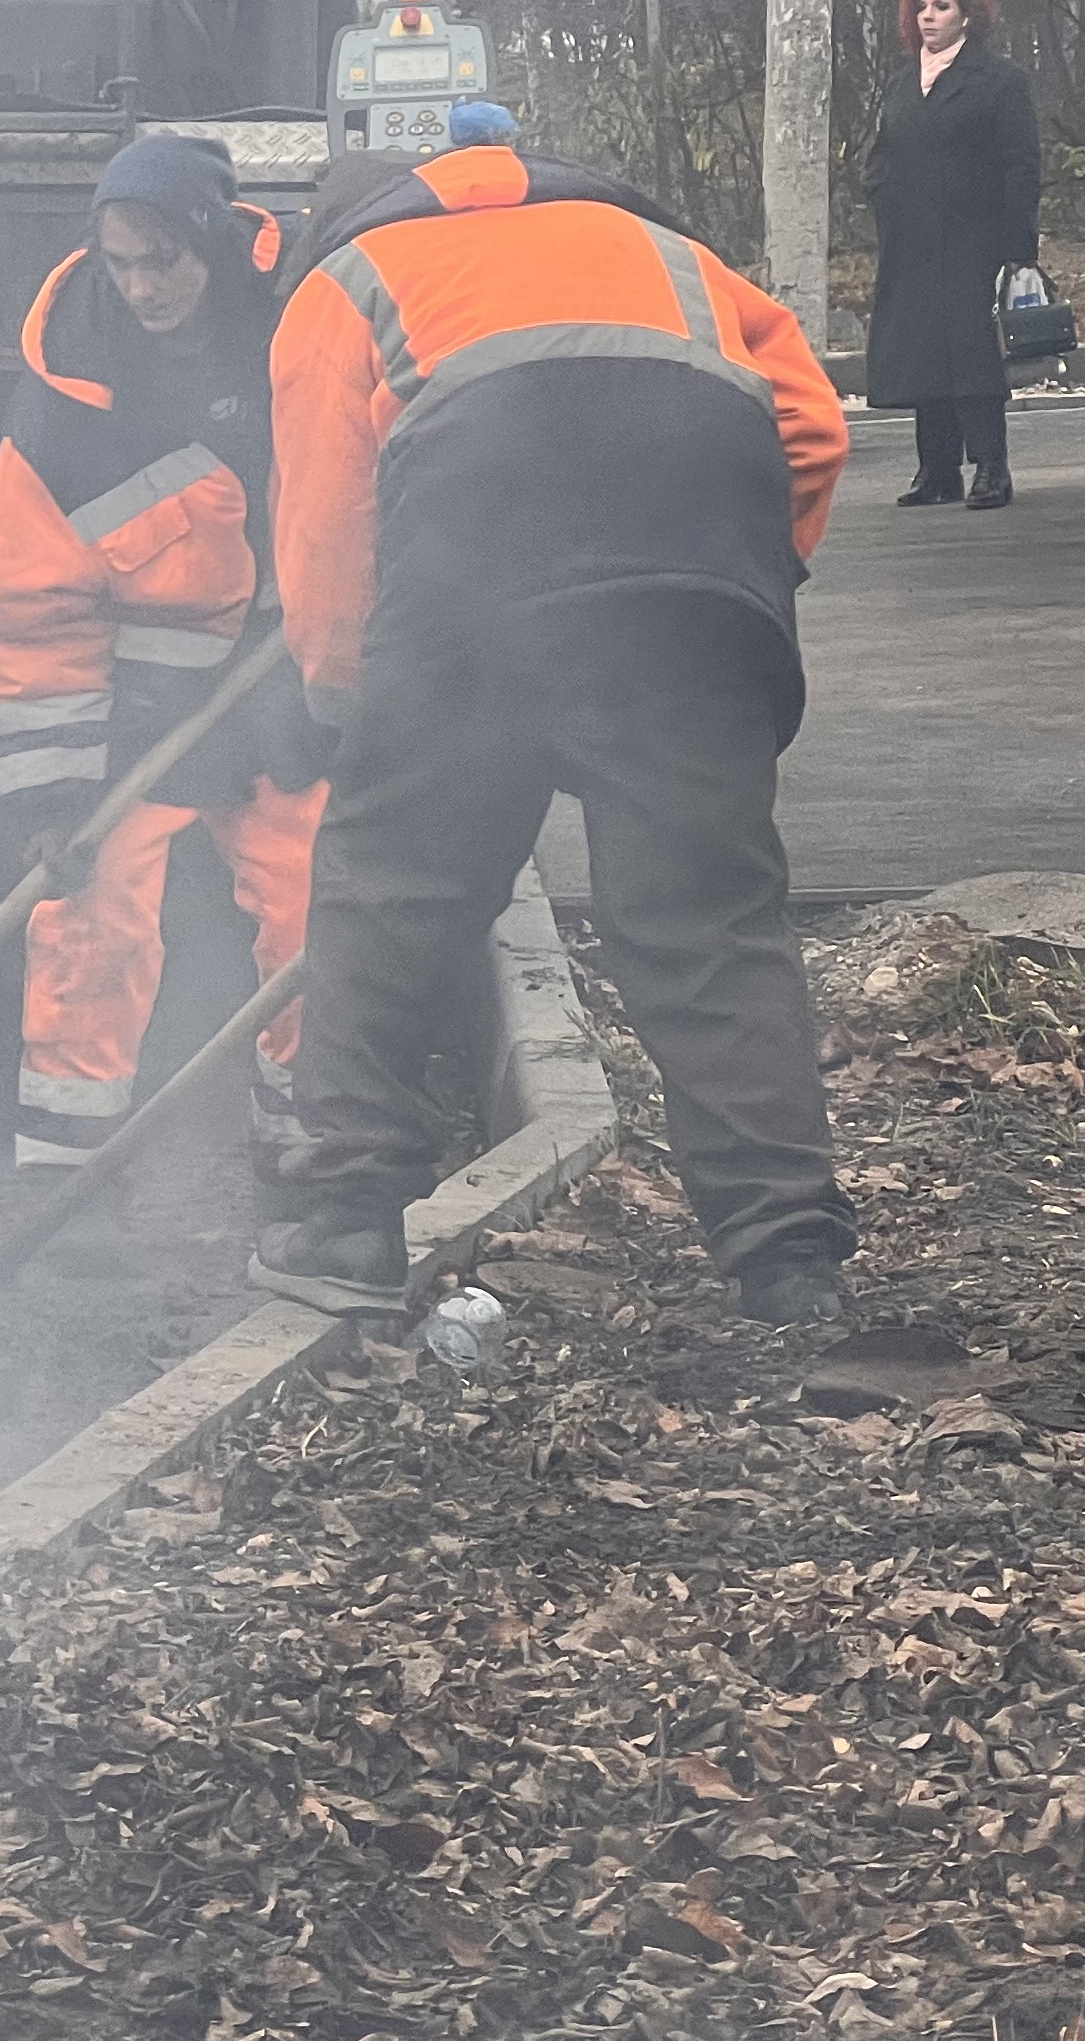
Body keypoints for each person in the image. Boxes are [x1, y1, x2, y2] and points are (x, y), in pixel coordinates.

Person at [251, 139, 857, 1327]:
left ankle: (340, 1225)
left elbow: (326, 535)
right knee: (709, 927)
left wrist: (341, 700)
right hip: (691, 610)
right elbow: (814, 434)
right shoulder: (676, 257)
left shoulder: (346, 282)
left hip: (472, 607)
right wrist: (738, 588)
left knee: (392, 894)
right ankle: (789, 1262)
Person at [0, 132, 322, 1170]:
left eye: (161, 260)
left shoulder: (304, 329)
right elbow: (31, 613)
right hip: (137, 714)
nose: (139, 286)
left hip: (279, 687)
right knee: (93, 916)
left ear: (211, 245)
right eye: (120, 263)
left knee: (317, 900)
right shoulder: (65, 402)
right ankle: (64, 1163)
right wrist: (51, 802)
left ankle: (308, 1138)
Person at [860, 0, 1043, 511]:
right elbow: (885, 153)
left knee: (972, 354)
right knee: (923, 352)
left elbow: (1022, 165)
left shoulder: (999, 81)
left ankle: (991, 468)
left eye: (940, 7)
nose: (928, 17)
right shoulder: (900, 80)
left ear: (967, 14)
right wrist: (882, 199)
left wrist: (1017, 246)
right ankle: (936, 471)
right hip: (913, 242)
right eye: (921, 8)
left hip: (974, 240)